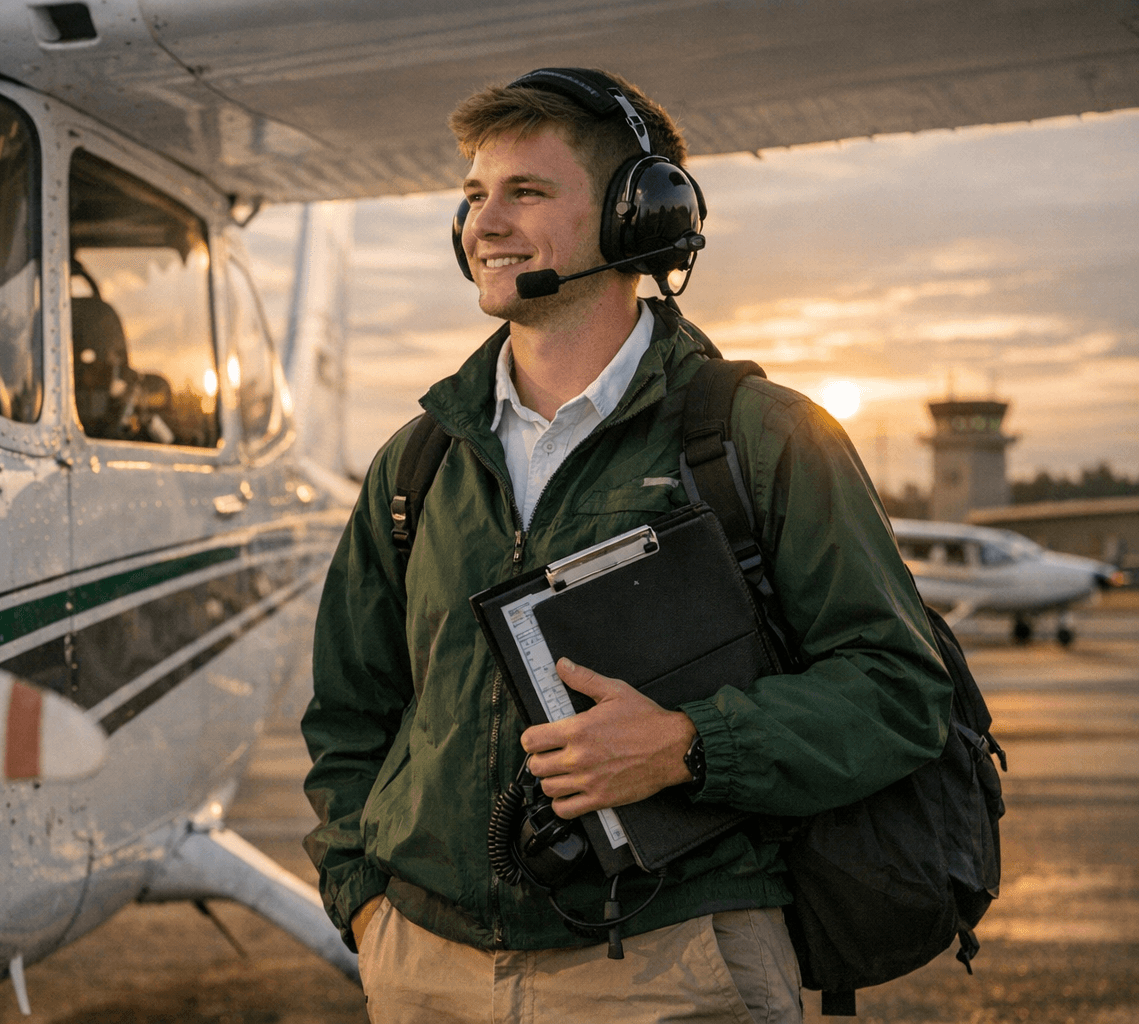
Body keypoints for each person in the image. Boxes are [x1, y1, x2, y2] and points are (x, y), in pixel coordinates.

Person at [302, 67, 953, 1023]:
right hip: (425, 967)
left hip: (675, 961)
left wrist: (691, 746)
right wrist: (364, 902)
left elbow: (901, 691)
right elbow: (349, 713)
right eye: (475, 195)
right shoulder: (418, 460)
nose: (484, 223)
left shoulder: (763, 437)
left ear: (638, 215)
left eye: (526, 192)